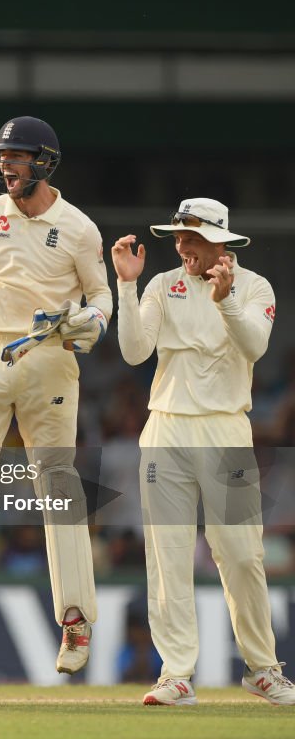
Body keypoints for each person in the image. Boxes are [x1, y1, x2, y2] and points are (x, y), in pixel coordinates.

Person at [0, 116, 112, 674]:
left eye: (17, 156)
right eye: (2, 156)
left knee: (56, 482)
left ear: (45, 161)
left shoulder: (78, 228)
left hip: (51, 357)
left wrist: (94, 322)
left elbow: (101, 294)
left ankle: (76, 621)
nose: (6, 165)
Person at [113, 197, 295, 706]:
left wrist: (228, 298)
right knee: (168, 556)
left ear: (218, 237)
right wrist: (127, 285)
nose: (181, 246)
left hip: (226, 430)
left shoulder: (254, 286)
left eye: (190, 237)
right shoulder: (161, 285)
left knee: (241, 554)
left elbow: (255, 345)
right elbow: (133, 352)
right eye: (177, 237)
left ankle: (262, 669)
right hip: (165, 429)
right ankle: (176, 674)